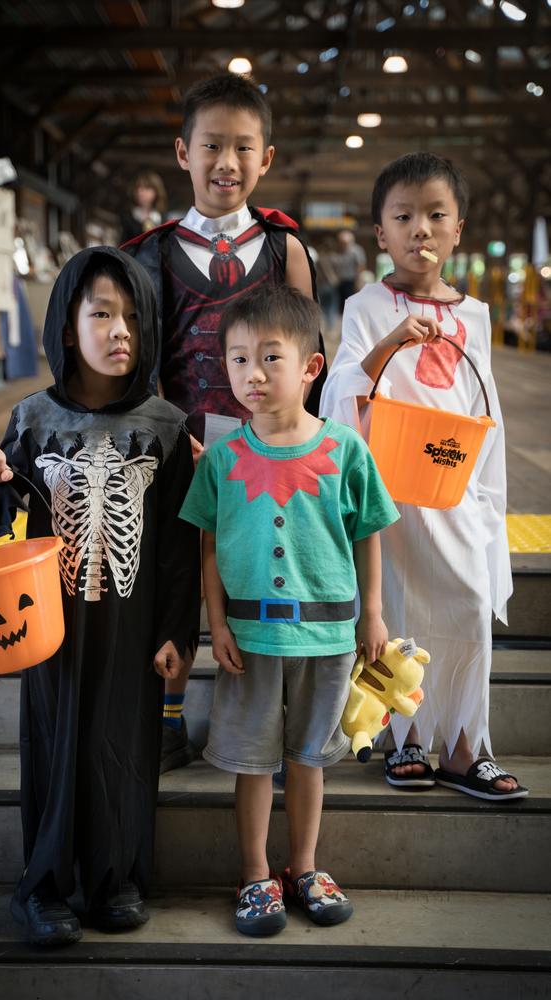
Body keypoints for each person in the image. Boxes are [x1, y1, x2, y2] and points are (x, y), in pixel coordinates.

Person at [0, 247, 200, 945]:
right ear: (68, 327)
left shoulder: (166, 424)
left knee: (124, 746)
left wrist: (178, 633)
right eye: (101, 314)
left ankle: (116, 879)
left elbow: (180, 545)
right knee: (53, 744)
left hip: (133, 623)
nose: (120, 329)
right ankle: (44, 886)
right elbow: (0, 520)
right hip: (48, 625)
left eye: (133, 317)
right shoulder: (33, 419)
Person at [122, 72, 328, 773]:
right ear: (183, 152)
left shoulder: (284, 249)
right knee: (176, 580)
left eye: (243, 148)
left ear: (266, 159)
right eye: (212, 146)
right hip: (176, 453)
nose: (226, 164)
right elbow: (137, 364)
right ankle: (170, 718)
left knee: (262, 578)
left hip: (267, 457)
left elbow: (311, 358)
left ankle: (273, 719)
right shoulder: (147, 254)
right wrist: (160, 434)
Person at [179, 284, 399, 936]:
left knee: (309, 756)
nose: (252, 374)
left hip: (328, 635)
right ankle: (254, 874)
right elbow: (209, 545)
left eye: (271, 358)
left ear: (311, 367)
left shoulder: (345, 450)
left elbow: (369, 534)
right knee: (251, 761)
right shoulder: (221, 459)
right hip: (246, 639)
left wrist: (374, 614)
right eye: (239, 360)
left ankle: (303, 867)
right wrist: (214, 624)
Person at [319, 152, 528, 800]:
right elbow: (339, 391)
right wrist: (391, 344)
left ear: (458, 228)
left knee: (466, 609)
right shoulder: (366, 306)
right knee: (401, 616)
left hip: (457, 491)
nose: (421, 230)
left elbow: (483, 406)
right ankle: (406, 741)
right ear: (380, 232)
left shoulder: (476, 317)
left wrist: (488, 498)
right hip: (393, 497)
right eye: (404, 216)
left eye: (436, 215)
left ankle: (467, 747)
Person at [120, 171, 168, 244]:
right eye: (138, 188)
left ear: (156, 191)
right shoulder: (128, 216)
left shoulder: (162, 218)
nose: (140, 192)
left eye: (146, 188)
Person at [329, 228, 366, 314]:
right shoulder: (335, 252)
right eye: (341, 242)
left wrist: (358, 281)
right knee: (339, 306)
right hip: (339, 282)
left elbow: (360, 266)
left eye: (345, 242)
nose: (342, 244)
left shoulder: (356, 251)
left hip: (351, 281)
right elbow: (332, 266)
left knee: (351, 304)